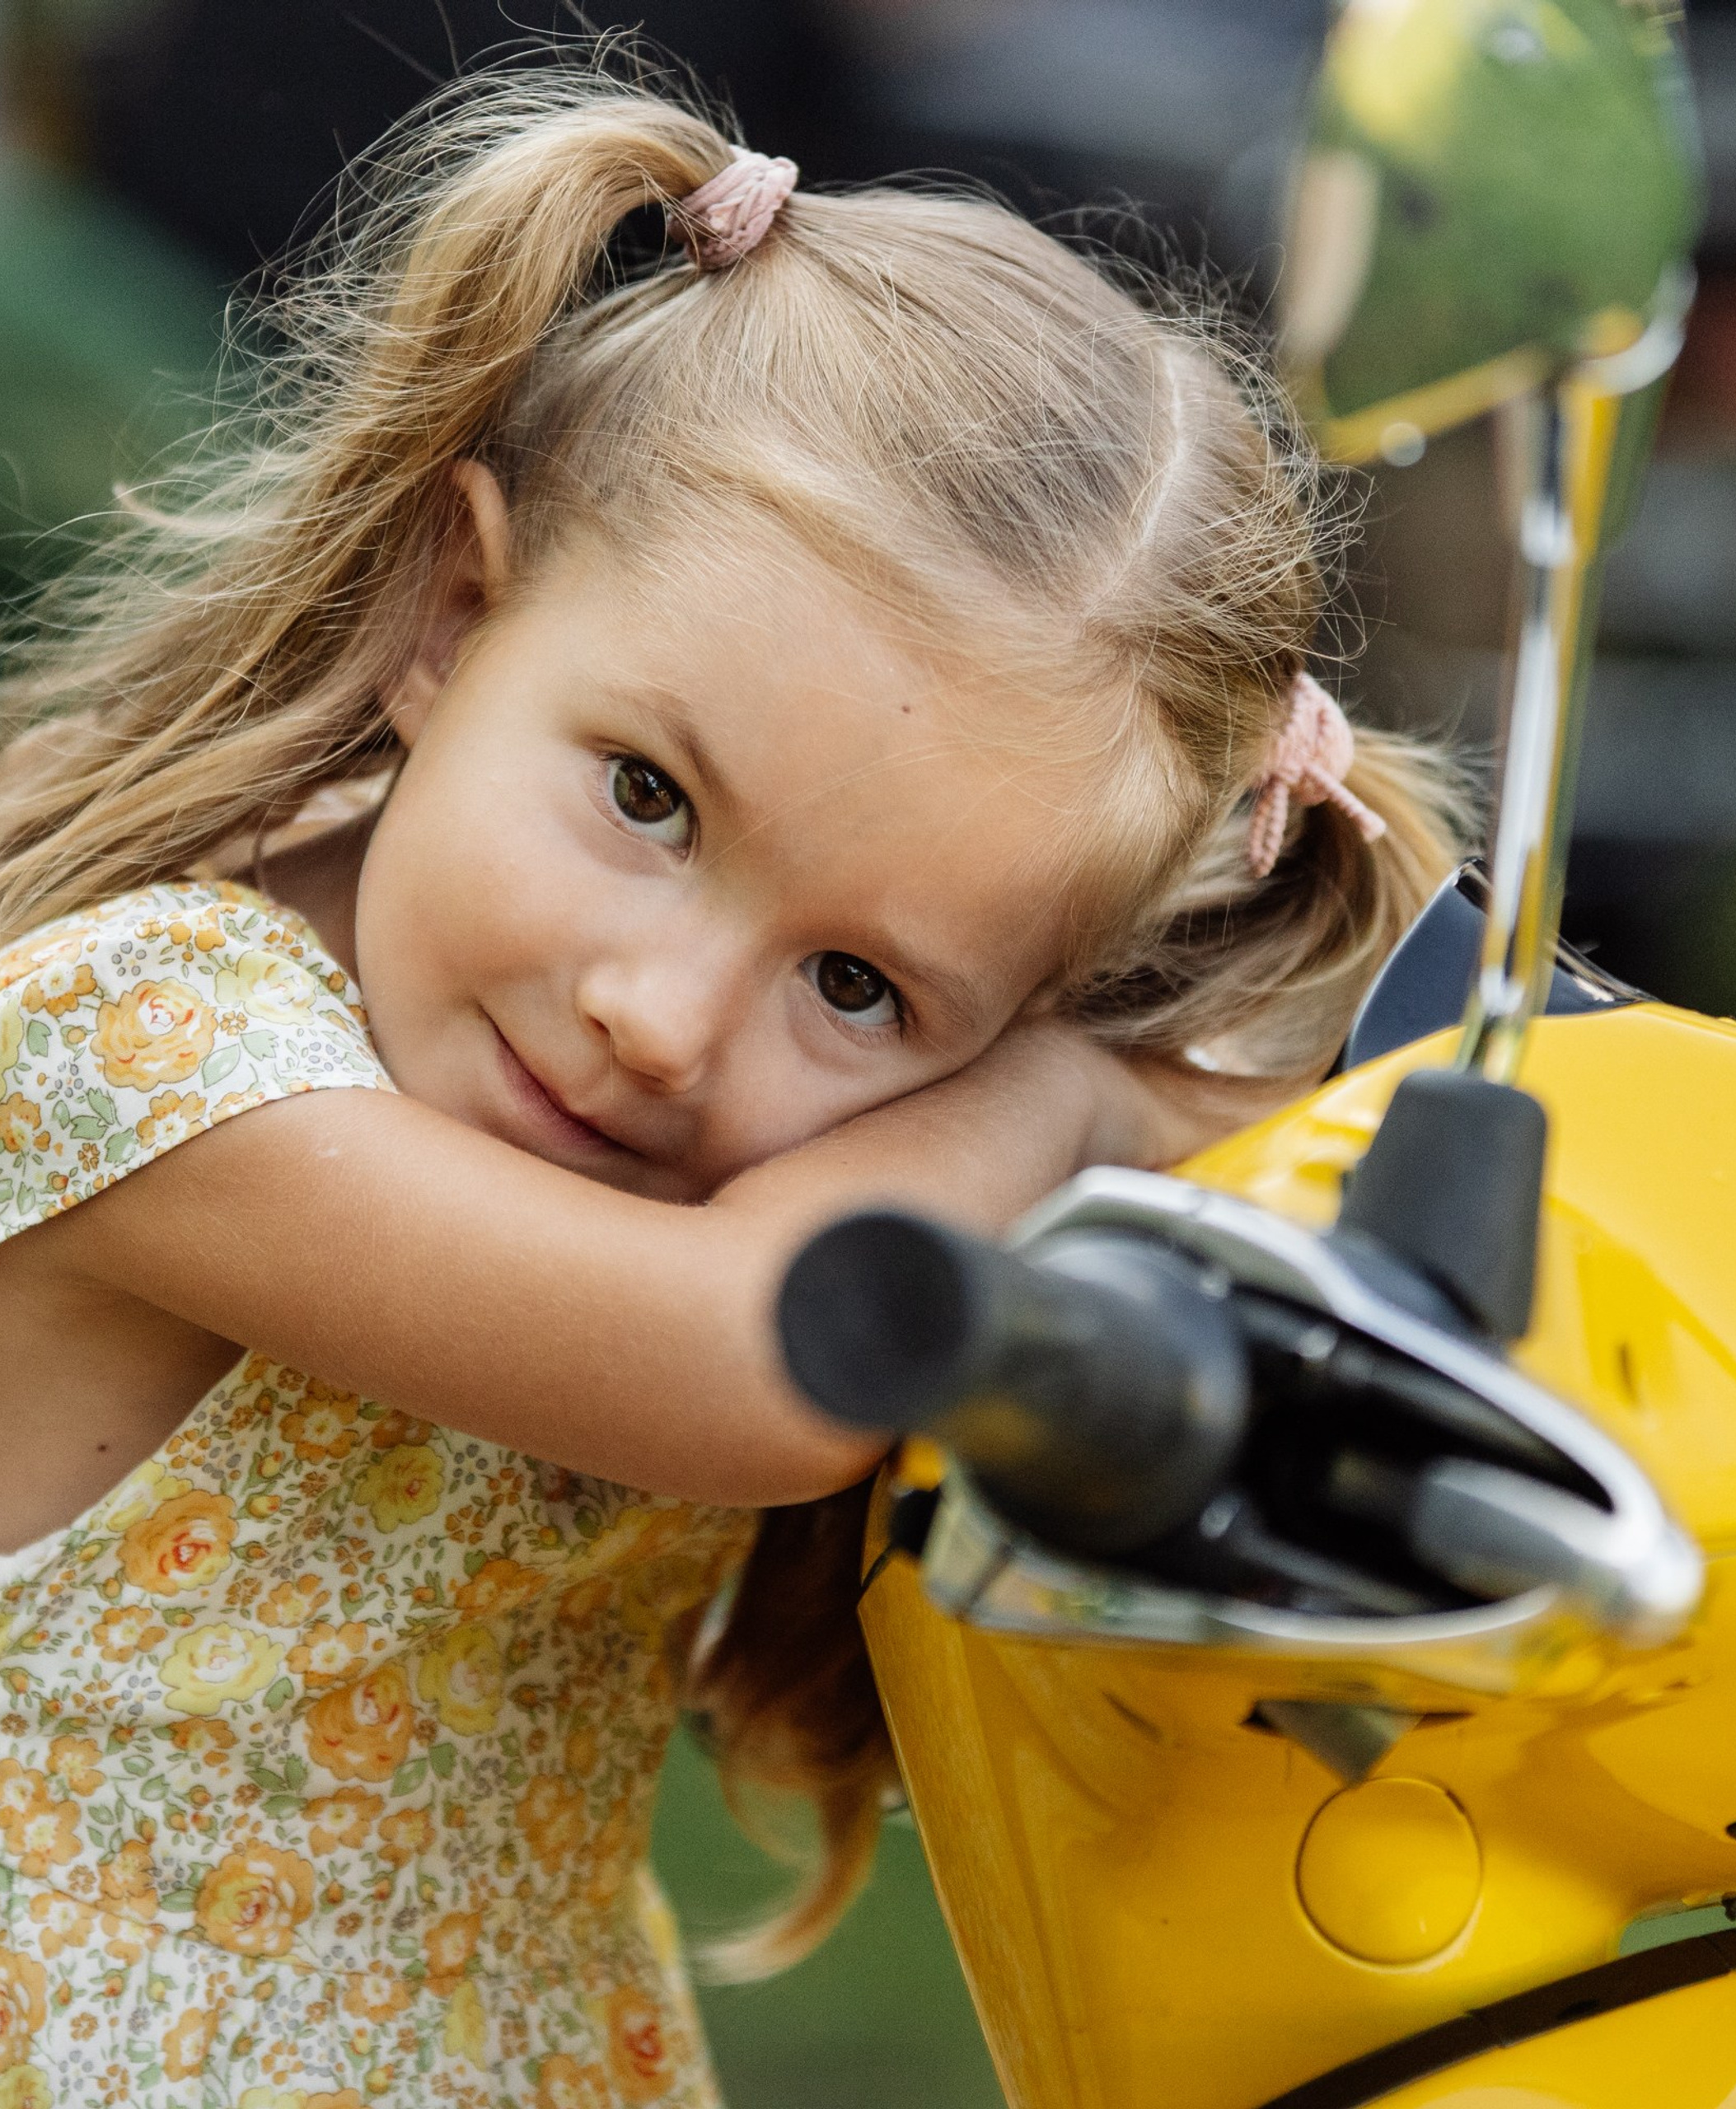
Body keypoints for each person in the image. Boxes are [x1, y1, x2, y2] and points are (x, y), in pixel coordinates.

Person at [0, 66, 1462, 2109]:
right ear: (451, 612)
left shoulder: (776, 1159)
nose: (666, 1021)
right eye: (648, 796)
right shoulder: (140, 1041)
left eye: (858, 982)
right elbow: (760, 1361)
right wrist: (1070, 1104)